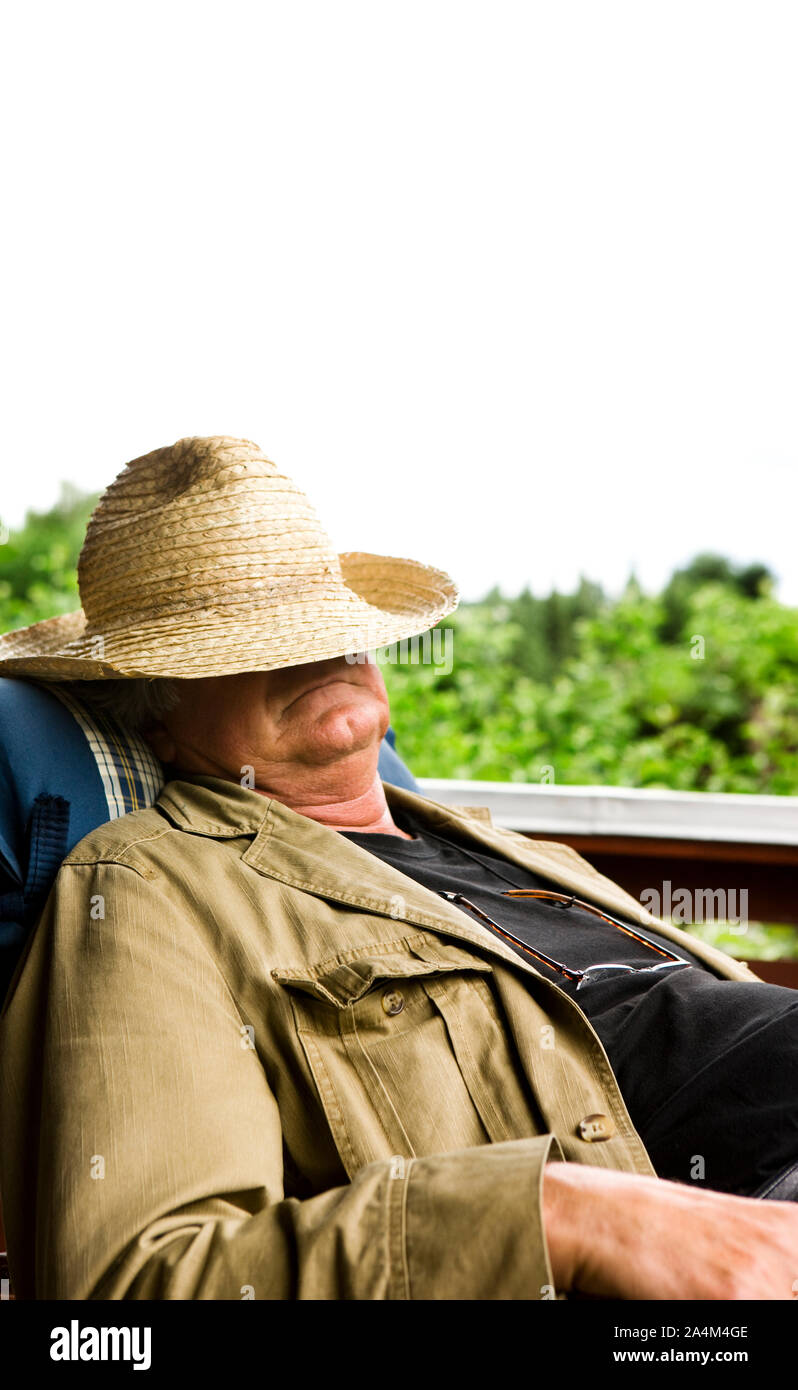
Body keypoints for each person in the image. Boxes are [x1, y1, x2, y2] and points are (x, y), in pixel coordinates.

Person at [0, 435, 795, 1301]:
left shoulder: (523, 856)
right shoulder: (153, 886)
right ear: (154, 714)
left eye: (326, 620)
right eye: (245, 640)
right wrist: (559, 1215)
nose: (320, 650)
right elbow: (141, 1283)